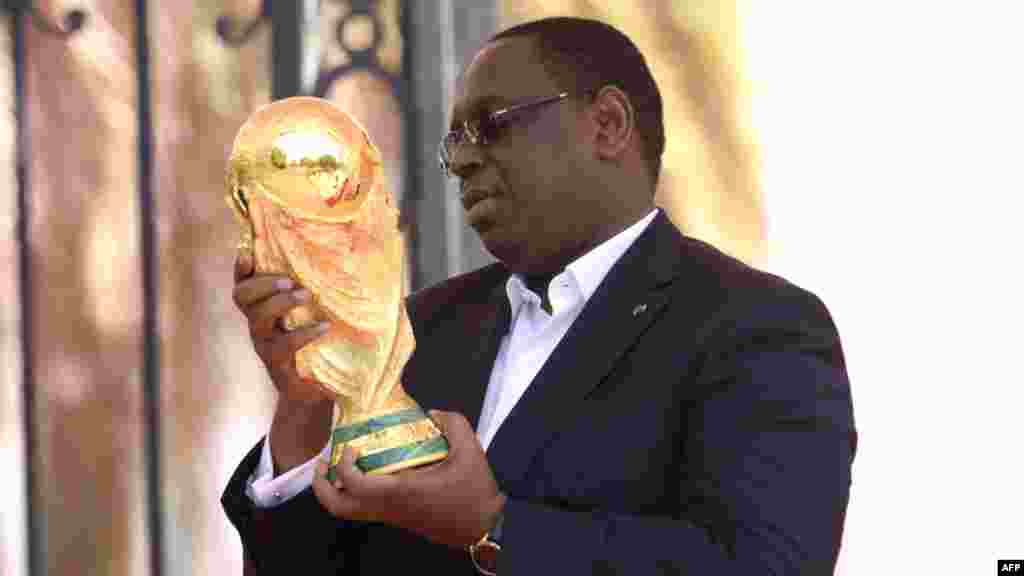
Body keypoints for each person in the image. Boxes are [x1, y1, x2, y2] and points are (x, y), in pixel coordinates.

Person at [221, 16, 856, 575]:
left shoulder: (756, 327)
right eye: (454, 143)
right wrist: (303, 407)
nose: (465, 160)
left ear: (607, 124)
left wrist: (495, 529)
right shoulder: (423, 327)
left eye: (491, 125)